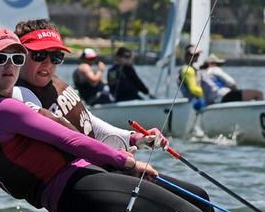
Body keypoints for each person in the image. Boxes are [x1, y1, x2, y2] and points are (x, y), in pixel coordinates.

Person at [0, 28, 215, 212]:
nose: (9, 66)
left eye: (16, 59)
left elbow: (84, 128)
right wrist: (127, 163)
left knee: (200, 199)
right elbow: (70, 140)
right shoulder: (2, 109)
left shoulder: (20, 101)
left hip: (90, 174)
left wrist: (134, 140)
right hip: (73, 191)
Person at [13, 19, 159, 153]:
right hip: (80, 171)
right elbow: (67, 140)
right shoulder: (19, 94)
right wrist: (114, 158)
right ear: (20, 55)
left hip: (100, 163)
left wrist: (135, 138)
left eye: (56, 57)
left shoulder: (53, 81)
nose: (48, 63)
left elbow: (88, 123)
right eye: (39, 55)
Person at [178, 44, 207, 110]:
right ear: (188, 56)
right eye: (195, 55)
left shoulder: (191, 68)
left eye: (198, 54)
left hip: (194, 100)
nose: (198, 56)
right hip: (195, 102)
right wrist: (207, 93)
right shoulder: (188, 70)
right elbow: (193, 89)